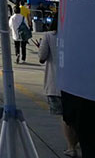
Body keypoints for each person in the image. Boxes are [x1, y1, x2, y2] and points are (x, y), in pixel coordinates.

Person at [35, 19, 79, 157]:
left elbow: (42, 57)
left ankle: (71, 147)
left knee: (65, 118)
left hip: (55, 84)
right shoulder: (75, 35)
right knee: (76, 117)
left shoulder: (48, 36)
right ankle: (76, 142)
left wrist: (40, 48)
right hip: (74, 85)